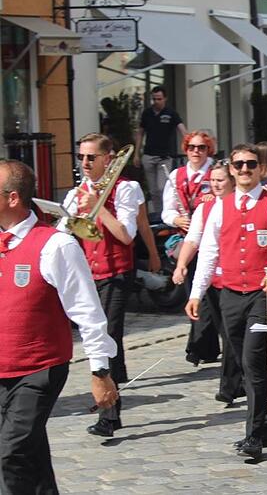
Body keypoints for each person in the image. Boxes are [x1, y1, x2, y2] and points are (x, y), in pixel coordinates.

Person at [0, 159, 118, 493]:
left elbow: (88, 312)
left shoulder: (55, 245)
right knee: (30, 452)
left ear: (12, 199)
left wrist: (100, 371)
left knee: (11, 453)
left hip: (39, 368)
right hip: (1, 366)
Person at [185, 144, 267, 459]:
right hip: (230, 295)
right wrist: (197, 292)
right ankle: (265, 427)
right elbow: (208, 251)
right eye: (239, 165)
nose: (245, 170)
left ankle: (253, 436)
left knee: (253, 360)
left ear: (261, 168)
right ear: (232, 169)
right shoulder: (220, 207)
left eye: (251, 164)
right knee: (245, 363)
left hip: (264, 294)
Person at [60, 133, 142, 438]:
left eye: (91, 157)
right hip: (88, 274)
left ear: (108, 159)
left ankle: (110, 412)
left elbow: (126, 235)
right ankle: (112, 402)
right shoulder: (77, 192)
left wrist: (98, 204)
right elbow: (65, 230)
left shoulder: (126, 189)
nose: (85, 163)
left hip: (117, 273)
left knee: (108, 336)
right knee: (103, 340)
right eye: (81, 157)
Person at [172, 161, 244, 405]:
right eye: (212, 180)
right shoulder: (206, 208)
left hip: (239, 280)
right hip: (214, 280)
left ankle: (233, 384)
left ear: (232, 181)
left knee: (233, 334)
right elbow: (193, 240)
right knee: (226, 333)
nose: (215, 184)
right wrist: (181, 264)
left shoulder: (242, 205)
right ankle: (233, 384)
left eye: (220, 180)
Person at [162, 130, 218, 365]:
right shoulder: (177, 175)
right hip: (187, 240)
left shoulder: (216, 173)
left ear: (208, 150)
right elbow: (167, 210)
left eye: (201, 148)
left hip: (212, 239)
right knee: (195, 295)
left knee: (209, 295)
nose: (196, 152)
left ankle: (200, 346)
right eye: (192, 147)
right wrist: (176, 220)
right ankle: (202, 346)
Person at [135, 85, 187, 212]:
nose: (156, 102)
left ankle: (166, 213)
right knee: (153, 191)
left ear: (165, 99)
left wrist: (189, 146)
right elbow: (140, 133)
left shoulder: (171, 113)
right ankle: (159, 214)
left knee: (162, 187)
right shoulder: (147, 113)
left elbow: (183, 131)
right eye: (154, 99)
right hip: (148, 155)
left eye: (159, 99)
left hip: (164, 157)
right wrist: (136, 154)